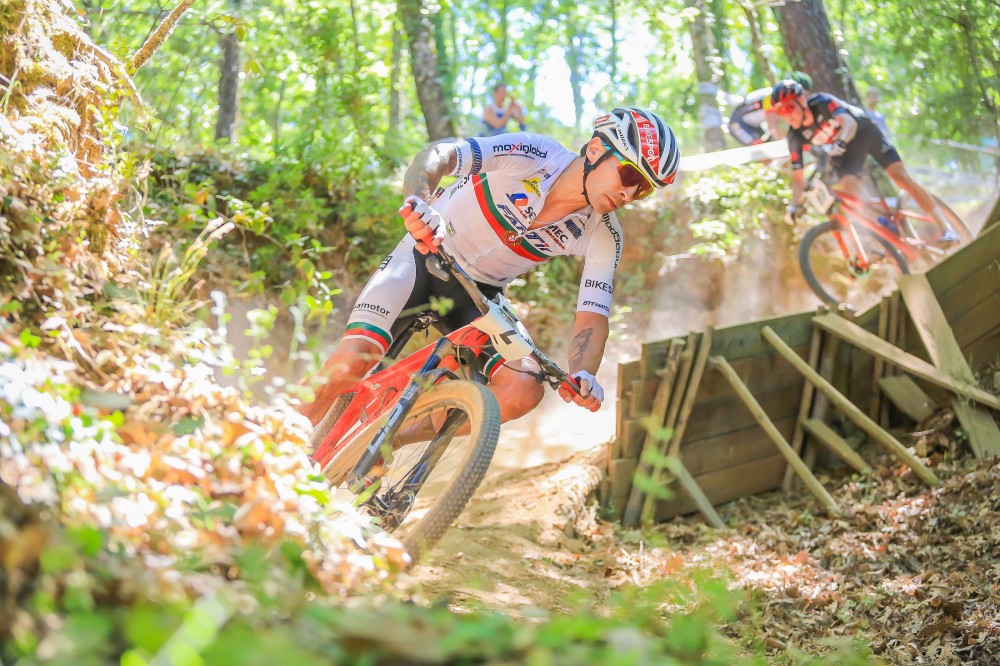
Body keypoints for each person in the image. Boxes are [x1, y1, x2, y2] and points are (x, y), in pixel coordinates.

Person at [299, 108, 680, 430]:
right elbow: (440, 154)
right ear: (596, 149)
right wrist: (420, 202)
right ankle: (273, 441)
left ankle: (382, 442)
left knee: (523, 389)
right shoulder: (536, 154)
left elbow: (593, 317)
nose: (630, 194)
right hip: (424, 257)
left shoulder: (603, 234)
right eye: (630, 175)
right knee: (354, 358)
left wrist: (583, 373)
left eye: (643, 189)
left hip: (478, 298)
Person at [771, 79, 959, 241]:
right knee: (849, 196)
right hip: (845, 150)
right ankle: (883, 230)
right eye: (781, 112)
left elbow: (849, 122)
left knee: (900, 177)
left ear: (802, 101)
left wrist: (842, 141)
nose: (788, 115)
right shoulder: (795, 137)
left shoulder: (821, 101)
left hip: (864, 133)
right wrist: (794, 205)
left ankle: (946, 228)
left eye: (790, 107)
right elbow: (797, 176)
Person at [728, 71, 813, 147]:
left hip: (755, 125)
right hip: (738, 123)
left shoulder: (781, 96)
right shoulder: (773, 97)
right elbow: (773, 125)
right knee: (762, 150)